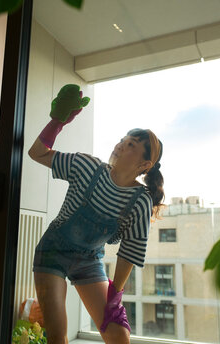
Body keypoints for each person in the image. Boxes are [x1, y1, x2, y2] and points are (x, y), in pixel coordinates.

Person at [28, 89, 164, 344]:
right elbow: (37, 153)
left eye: (131, 145)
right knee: (57, 335)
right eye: (124, 139)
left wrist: (115, 296)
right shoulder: (87, 166)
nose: (121, 144)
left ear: (145, 165)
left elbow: (130, 252)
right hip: (52, 252)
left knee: (118, 336)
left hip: (89, 260)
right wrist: (57, 122)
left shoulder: (140, 201)